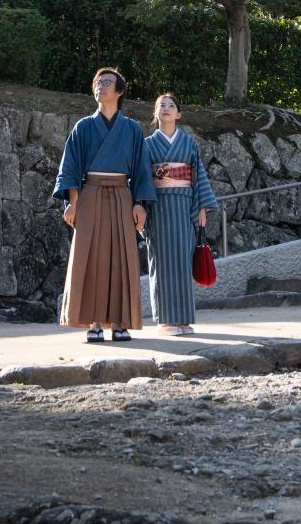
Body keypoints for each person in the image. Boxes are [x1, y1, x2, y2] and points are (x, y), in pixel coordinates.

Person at [54, 66, 154, 341]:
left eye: (107, 82)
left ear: (119, 91)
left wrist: (140, 204)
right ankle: (93, 322)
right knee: (91, 258)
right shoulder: (83, 127)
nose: (100, 86)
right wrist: (72, 202)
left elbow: (142, 169)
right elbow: (71, 165)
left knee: (122, 257)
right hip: (90, 193)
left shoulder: (132, 129)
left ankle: (120, 322)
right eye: (98, 83)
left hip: (122, 194)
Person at [145, 92, 219, 334]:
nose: (166, 108)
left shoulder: (188, 144)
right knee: (163, 262)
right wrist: (141, 207)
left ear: (178, 114)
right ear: (156, 114)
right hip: (158, 207)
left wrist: (201, 207)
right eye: (161, 105)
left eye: (170, 105)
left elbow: (198, 176)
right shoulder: (147, 145)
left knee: (183, 262)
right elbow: (142, 180)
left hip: (185, 206)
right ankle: (166, 320)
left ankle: (184, 319)